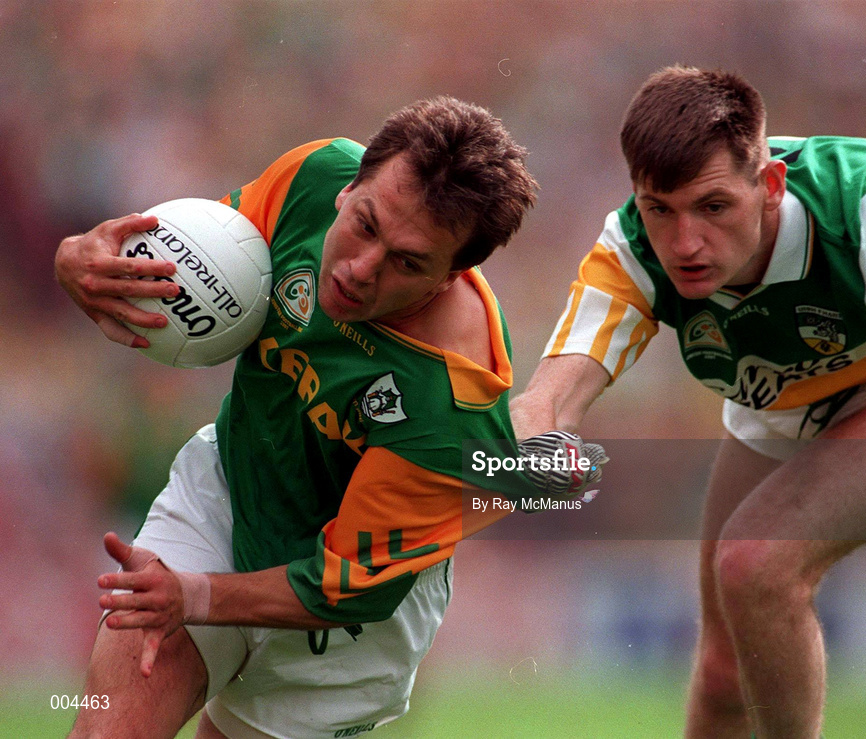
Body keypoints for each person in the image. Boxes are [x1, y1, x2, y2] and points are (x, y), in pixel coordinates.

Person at [56, 96, 601, 739]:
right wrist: (80, 262)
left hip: (349, 626)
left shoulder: (447, 398)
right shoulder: (308, 177)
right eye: (365, 225)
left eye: (408, 262)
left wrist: (192, 596)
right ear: (349, 188)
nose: (359, 269)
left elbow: (340, 588)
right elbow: (210, 262)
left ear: (453, 275)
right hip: (231, 493)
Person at [510, 65, 866, 739]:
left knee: (756, 564)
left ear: (769, 185)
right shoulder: (632, 249)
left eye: (713, 207)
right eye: (659, 208)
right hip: (785, 400)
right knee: (724, 671)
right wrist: (529, 444)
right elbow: (549, 396)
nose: (684, 243)